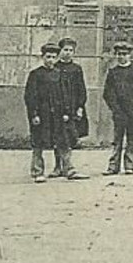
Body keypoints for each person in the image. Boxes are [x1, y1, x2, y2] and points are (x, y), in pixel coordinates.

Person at [102, 41, 133, 175]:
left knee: (131, 138)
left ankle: (129, 165)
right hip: (118, 112)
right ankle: (113, 166)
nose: (121, 57)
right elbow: (107, 92)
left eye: (124, 54)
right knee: (117, 139)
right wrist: (115, 107)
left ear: (130, 55)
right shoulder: (113, 72)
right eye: (119, 54)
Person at [23, 44, 71, 182]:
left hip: (57, 114)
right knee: (38, 142)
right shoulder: (35, 74)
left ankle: (67, 168)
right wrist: (34, 114)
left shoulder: (60, 74)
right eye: (48, 57)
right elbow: (30, 96)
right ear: (42, 57)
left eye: (53, 57)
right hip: (42, 114)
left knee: (62, 140)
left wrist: (66, 112)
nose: (50, 60)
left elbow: (65, 95)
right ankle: (38, 171)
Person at [54, 36, 90, 179]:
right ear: (60, 51)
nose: (68, 53)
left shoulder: (76, 69)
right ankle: (58, 167)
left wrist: (80, 106)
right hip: (58, 108)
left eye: (71, 50)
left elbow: (81, 89)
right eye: (65, 50)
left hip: (73, 107)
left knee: (69, 137)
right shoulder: (55, 67)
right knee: (57, 138)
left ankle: (66, 165)